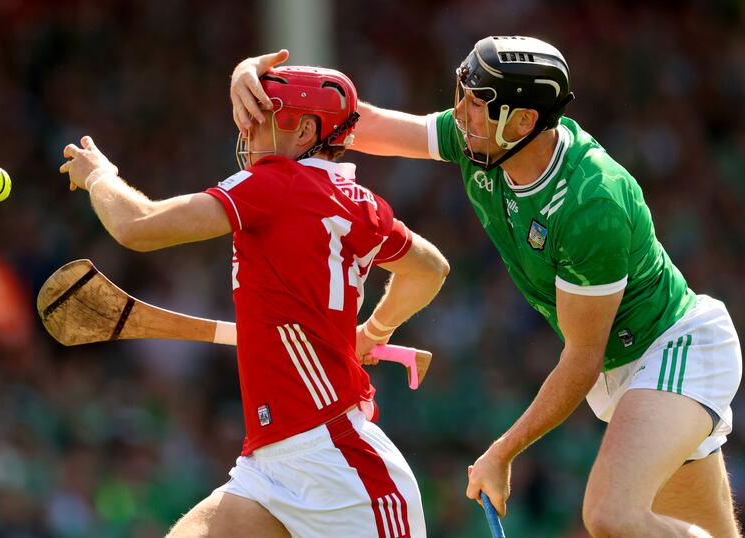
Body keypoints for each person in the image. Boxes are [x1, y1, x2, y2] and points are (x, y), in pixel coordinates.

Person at [230, 37, 742, 537]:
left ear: (521, 121)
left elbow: (582, 358)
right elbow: (359, 125)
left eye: (477, 104)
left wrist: (503, 451)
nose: (460, 113)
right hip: (625, 372)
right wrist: (261, 84)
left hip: (673, 348)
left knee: (612, 515)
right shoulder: (483, 142)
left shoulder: (591, 204)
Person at [60, 65, 449, 537]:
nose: (249, 129)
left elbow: (136, 226)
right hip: (271, 462)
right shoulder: (360, 202)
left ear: (305, 130)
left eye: (264, 117)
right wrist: (374, 332)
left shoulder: (275, 182)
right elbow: (429, 268)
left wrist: (100, 176)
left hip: (343, 469)